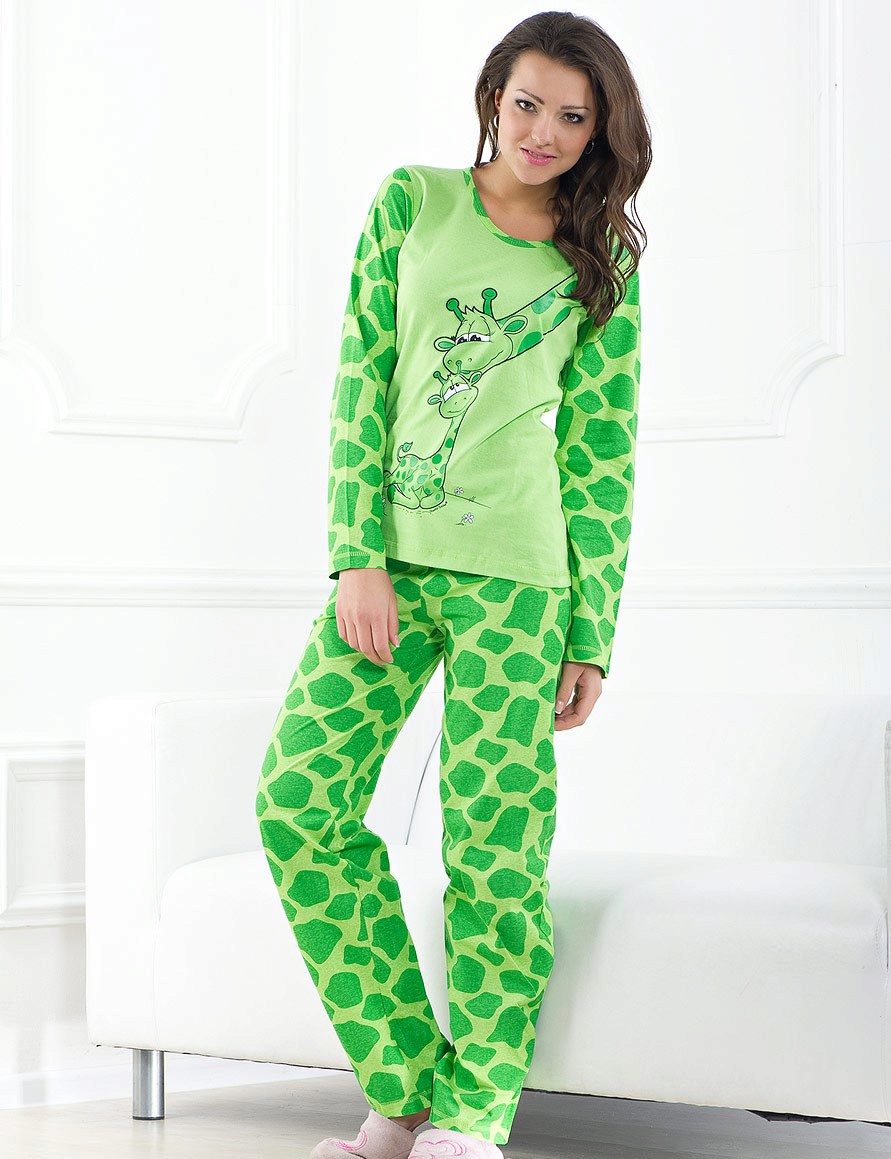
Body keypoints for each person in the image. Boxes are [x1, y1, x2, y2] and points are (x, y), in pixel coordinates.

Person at [255, 10, 651, 1159]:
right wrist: (358, 554)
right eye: (527, 103)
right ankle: (410, 1085)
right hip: (391, 567)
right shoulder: (412, 204)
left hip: (522, 587)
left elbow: (600, 452)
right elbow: (361, 380)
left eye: (573, 116)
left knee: (492, 851)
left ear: (600, 131)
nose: (544, 132)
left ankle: (475, 1113)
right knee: (298, 805)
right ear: (492, 97)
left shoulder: (600, 258)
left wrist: (591, 631)